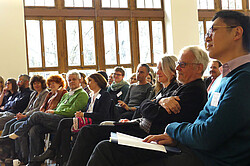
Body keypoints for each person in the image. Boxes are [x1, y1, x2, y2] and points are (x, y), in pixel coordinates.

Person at [86, 10, 250, 166]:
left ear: (237, 33)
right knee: (106, 147)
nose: (207, 37)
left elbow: (208, 135)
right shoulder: (226, 76)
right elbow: (203, 122)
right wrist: (176, 136)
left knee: (107, 151)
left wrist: (173, 130)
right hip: (195, 149)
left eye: (213, 30)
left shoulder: (243, 79)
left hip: (210, 159)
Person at [66, 50, 209, 166]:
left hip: (154, 137)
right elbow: (144, 107)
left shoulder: (192, 90)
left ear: (198, 68)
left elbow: (157, 115)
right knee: (89, 133)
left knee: (103, 147)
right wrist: (158, 102)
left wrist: (153, 104)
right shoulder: (175, 89)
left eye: (182, 64)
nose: (178, 68)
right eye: (178, 64)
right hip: (143, 128)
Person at [0, 70, 89, 166]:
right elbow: (59, 107)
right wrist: (54, 112)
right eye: (69, 80)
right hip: (56, 117)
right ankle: (34, 161)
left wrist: (54, 112)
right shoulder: (67, 94)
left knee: (37, 115)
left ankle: (16, 134)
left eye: (74, 79)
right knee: (34, 129)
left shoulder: (82, 94)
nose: (71, 82)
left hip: (66, 121)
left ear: (80, 80)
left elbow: (72, 112)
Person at [32, 73, 112, 165]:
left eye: (90, 81)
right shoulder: (91, 95)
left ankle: (52, 150)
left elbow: (102, 115)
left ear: (97, 82)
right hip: (85, 120)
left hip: (95, 122)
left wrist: (84, 115)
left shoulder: (104, 95)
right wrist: (81, 114)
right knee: (65, 130)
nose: (88, 83)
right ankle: (66, 161)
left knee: (63, 122)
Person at [1, 75, 64, 164]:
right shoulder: (34, 93)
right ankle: (12, 154)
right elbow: (29, 107)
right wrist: (22, 114)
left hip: (39, 117)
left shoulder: (46, 93)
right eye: (34, 83)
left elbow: (38, 109)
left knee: (19, 126)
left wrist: (25, 115)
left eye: (38, 83)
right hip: (33, 116)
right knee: (10, 125)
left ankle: (24, 157)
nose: (36, 85)